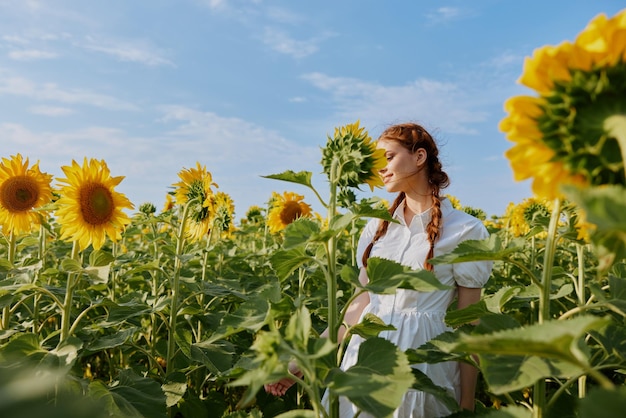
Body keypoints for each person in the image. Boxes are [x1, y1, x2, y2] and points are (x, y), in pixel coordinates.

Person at [265, 122, 493, 417]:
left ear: (419, 157)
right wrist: (303, 362)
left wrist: (466, 406)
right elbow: (357, 308)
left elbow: (468, 326)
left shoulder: (466, 230)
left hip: (424, 364)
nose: (380, 168)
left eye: (387, 157)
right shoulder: (375, 226)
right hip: (364, 360)